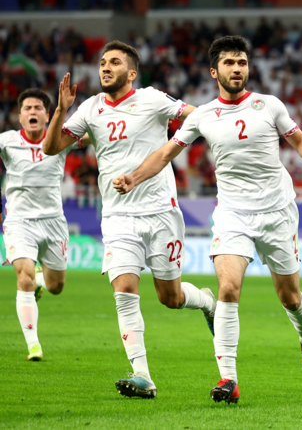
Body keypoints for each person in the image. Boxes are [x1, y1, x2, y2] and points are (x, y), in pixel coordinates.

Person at [112, 35, 302, 404]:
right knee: (228, 288)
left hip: (276, 212)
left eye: (242, 62)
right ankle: (229, 379)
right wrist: (134, 177)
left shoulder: (269, 105)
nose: (237, 68)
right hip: (232, 213)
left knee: (290, 297)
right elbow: (165, 153)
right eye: (229, 63)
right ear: (215, 71)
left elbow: (300, 140)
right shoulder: (203, 115)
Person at [43, 42, 216, 399]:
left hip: (160, 211)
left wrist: (195, 133)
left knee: (170, 297)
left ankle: (206, 302)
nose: (105, 67)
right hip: (117, 215)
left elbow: (198, 116)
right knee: (123, 290)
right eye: (102, 63)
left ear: (132, 73)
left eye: (115, 62)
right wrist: (60, 110)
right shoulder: (91, 108)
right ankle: (142, 375)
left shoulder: (152, 99)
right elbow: (50, 147)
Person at [2, 88, 89, 361]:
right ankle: (33, 345)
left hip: (53, 223)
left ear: (48, 115)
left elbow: (94, 134)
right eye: (27, 108)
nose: (32, 112)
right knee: (24, 277)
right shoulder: (7, 141)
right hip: (19, 222)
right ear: (19, 116)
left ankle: (42, 280)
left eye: (38, 108)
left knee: (56, 286)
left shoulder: (61, 139)